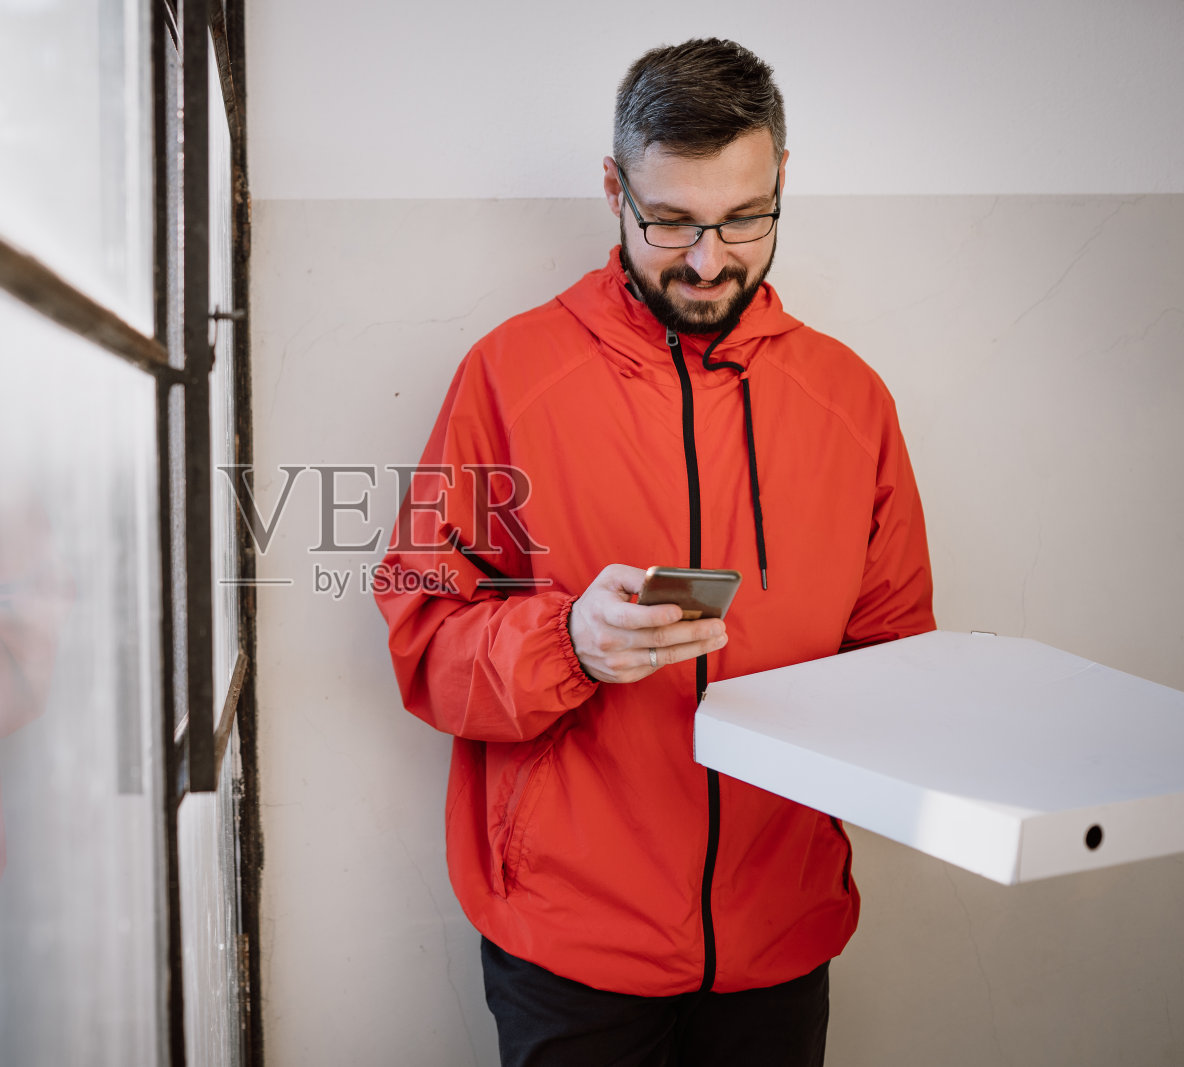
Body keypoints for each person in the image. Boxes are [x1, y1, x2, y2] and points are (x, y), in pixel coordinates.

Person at [374, 38, 935, 1066]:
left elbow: (897, 654)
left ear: (780, 182)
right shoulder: (508, 375)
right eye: (670, 221)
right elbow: (421, 635)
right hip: (568, 946)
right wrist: (565, 643)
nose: (709, 258)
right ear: (612, 188)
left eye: (744, 219)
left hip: (778, 940)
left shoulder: (852, 401)